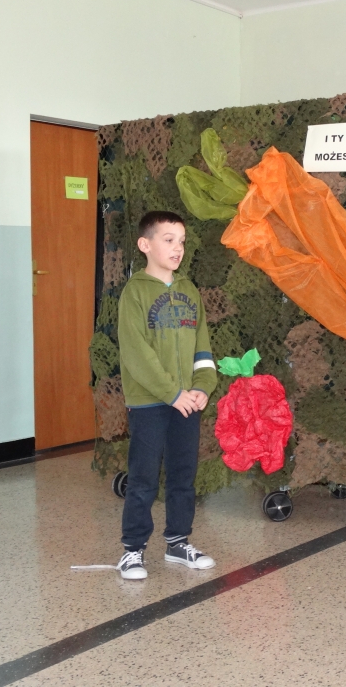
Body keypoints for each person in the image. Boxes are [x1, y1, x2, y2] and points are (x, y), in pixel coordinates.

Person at [115, 211, 218, 580]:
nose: (178, 248)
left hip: (186, 402)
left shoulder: (189, 290)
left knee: (182, 474)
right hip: (150, 402)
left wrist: (202, 387)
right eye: (169, 240)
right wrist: (172, 392)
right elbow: (137, 354)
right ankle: (132, 549)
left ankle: (178, 542)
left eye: (182, 241)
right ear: (145, 245)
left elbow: (202, 347)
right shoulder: (135, 293)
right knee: (143, 476)